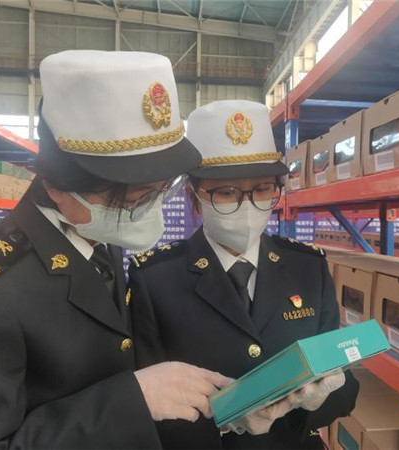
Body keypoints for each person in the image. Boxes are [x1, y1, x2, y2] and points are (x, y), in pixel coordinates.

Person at [0, 51, 231, 449]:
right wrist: (131, 402)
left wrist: (229, 405)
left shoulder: (100, 239)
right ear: (57, 185)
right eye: (136, 199)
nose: (150, 211)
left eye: (160, 192)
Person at [129, 100, 359, 449]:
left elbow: (345, 386)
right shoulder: (156, 279)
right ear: (194, 197)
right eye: (227, 192)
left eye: (263, 189)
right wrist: (222, 420)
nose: (248, 205)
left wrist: (318, 401)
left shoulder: (308, 267)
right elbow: (145, 407)